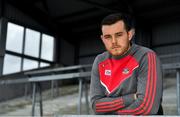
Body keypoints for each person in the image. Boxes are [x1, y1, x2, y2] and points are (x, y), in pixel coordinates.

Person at [90, 13, 163, 115]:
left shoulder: (146, 56)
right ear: (102, 39)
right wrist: (131, 98)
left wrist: (110, 113)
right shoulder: (99, 61)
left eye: (119, 35)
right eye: (108, 37)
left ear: (129, 34)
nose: (114, 41)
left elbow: (147, 107)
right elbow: (96, 105)